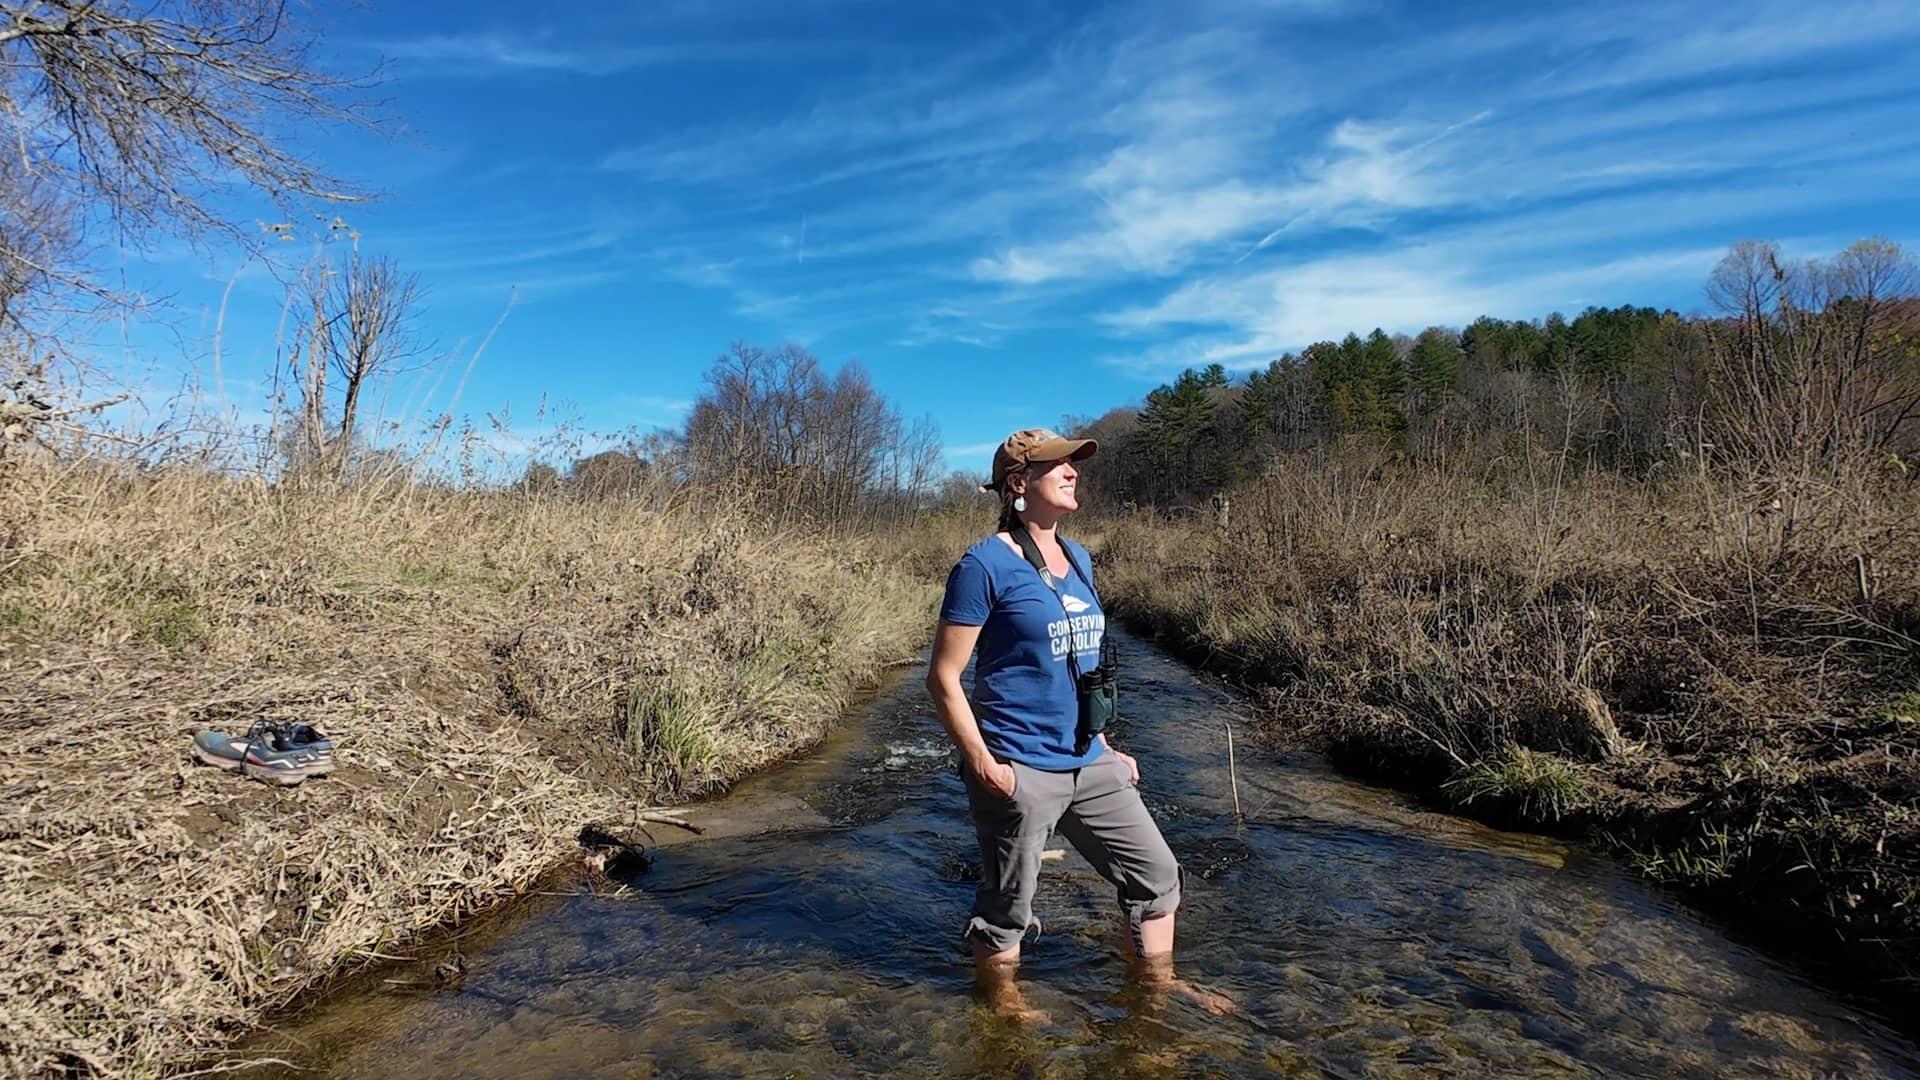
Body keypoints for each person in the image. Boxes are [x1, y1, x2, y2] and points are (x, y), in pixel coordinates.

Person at [926, 427, 1198, 1019]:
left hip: (1087, 760)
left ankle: (1156, 995)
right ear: (1019, 484)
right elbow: (944, 678)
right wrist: (985, 766)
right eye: (1059, 465)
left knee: (1157, 878)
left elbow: (1083, 664)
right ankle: (1002, 1009)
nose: (1074, 471)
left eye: (1074, 463)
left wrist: (1103, 744)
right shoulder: (983, 565)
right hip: (1019, 765)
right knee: (1008, 911)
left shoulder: (1079, 557)